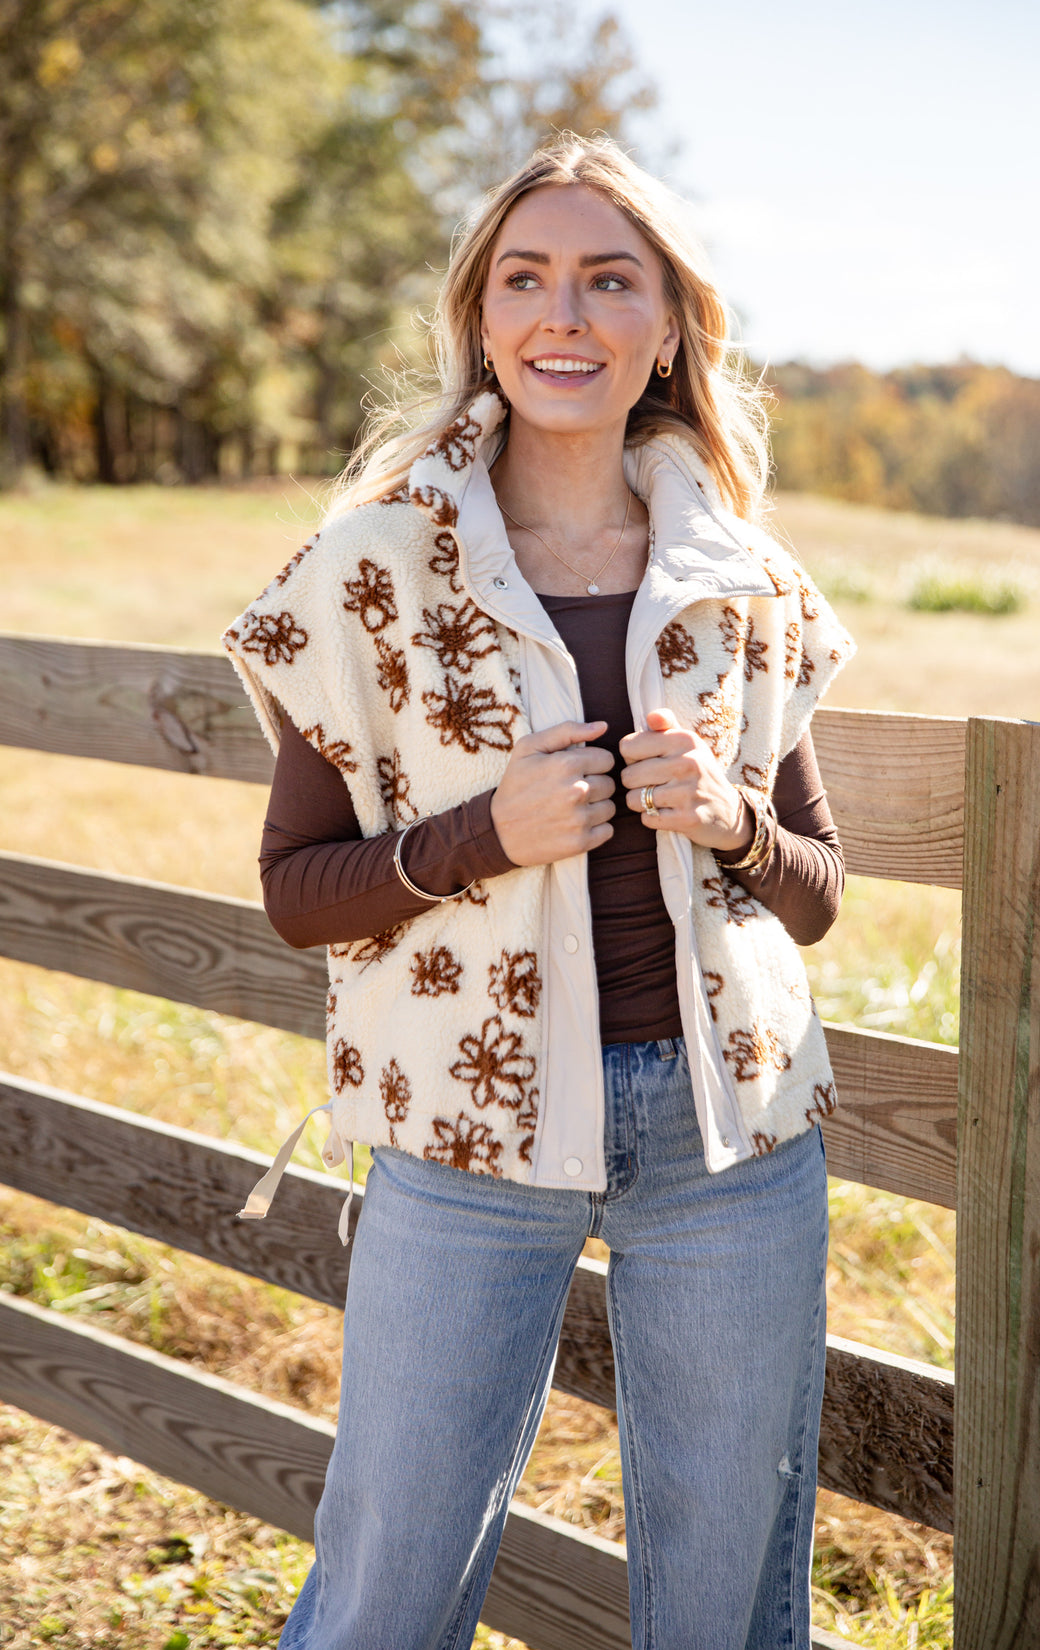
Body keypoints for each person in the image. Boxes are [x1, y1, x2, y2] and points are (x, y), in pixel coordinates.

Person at [224, 133, 854, 1650]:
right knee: (388, 1576)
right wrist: (482, 833)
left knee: (727, 1597)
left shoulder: (744, 575)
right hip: (464, 1131)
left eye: (607, 279)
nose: (563, 312)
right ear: (484, 318)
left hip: (732, 1142)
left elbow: (821, 894)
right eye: (527, 278)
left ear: (665, 328)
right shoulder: (372, 565)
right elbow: (296, 893)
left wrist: (735, 825)